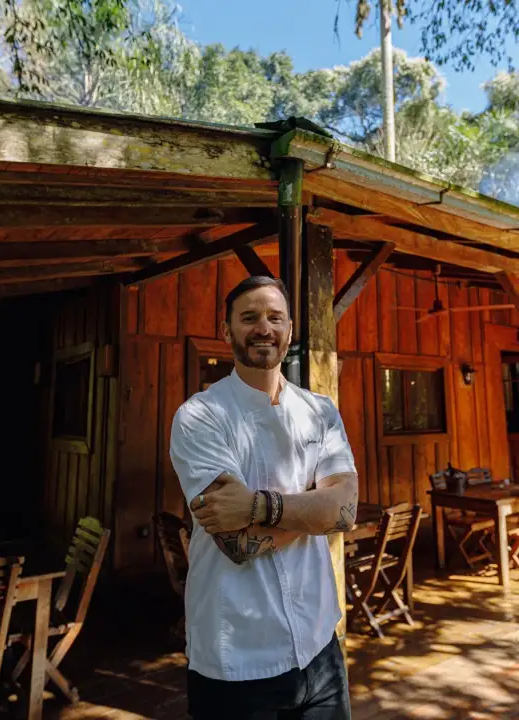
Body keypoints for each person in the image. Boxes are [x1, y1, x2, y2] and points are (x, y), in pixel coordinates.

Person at [168, 275, 359, 720]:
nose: (264, 328)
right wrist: (315, 507)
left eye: (276, 317)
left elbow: (345, 511)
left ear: (289, 330)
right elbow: (236, 543)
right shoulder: (200, 416)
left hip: (320, 646)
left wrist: (258, 507)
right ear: (226, 330)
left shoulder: (320, 411)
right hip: (236, 657)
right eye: (249, 317)